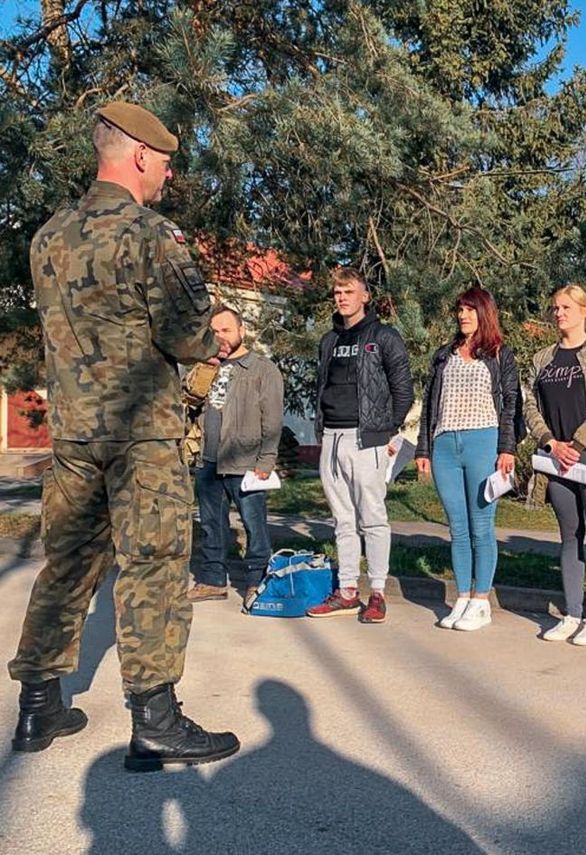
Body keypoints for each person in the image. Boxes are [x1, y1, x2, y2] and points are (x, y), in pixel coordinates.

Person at [8, 101, 240, 770]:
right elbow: (191, 333)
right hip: (142, 432)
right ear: (140, 155)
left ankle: (39, 704)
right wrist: (210, 341)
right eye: (165, 161)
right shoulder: (150, 235)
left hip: (76, 434)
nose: (168, 173)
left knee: (69, 564)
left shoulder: (47, 236)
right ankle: (156, 718)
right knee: (153, 562)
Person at [307, 268, 414, 623]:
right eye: (337, 292)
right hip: (332, 438)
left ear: (365, 296)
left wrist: (387, 433)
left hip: (367, 438)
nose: (341, 297)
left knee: (373, 518)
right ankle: (348, 590)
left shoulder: (383, 337)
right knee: (342, 519)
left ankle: (378, 592)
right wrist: (321, 430)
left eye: (348, 291)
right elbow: (322, 385)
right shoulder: (329, 340)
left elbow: (403, 389)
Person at [524, 285, 586, 646]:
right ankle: (572, 612)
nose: (558, 313)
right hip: (556, 458)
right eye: (554, 308)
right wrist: (552, 443)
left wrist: (579, 443)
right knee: (569, 535)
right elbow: (529, 406)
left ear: (585, 310)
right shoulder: (543, 358)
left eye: (566, 307)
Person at [416, 287, 520, 632]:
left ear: (484, 313)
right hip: (445, 443)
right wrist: (423, 450)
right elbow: (430, 404)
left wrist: (507, 448)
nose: (463, 316)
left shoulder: (499, 354)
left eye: (470, 310)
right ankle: (462, 596)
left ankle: (481, 600)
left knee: (481, 525)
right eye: (459, 310)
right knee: (457, 528)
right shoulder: (443, 355)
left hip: (483, 440)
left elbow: (510, 407)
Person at [187, 305, 284, 609]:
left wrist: (267, 460)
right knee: (210, 525)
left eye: (226, 330)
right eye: (214, 332)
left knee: (254, 525)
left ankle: (257, 580)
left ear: (242, 331)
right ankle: (212, 580)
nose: (220, 337)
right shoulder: (206, 367)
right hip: (209, 459)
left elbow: (272, 419)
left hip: (245, 461)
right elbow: (190, 406)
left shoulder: (262, 370)